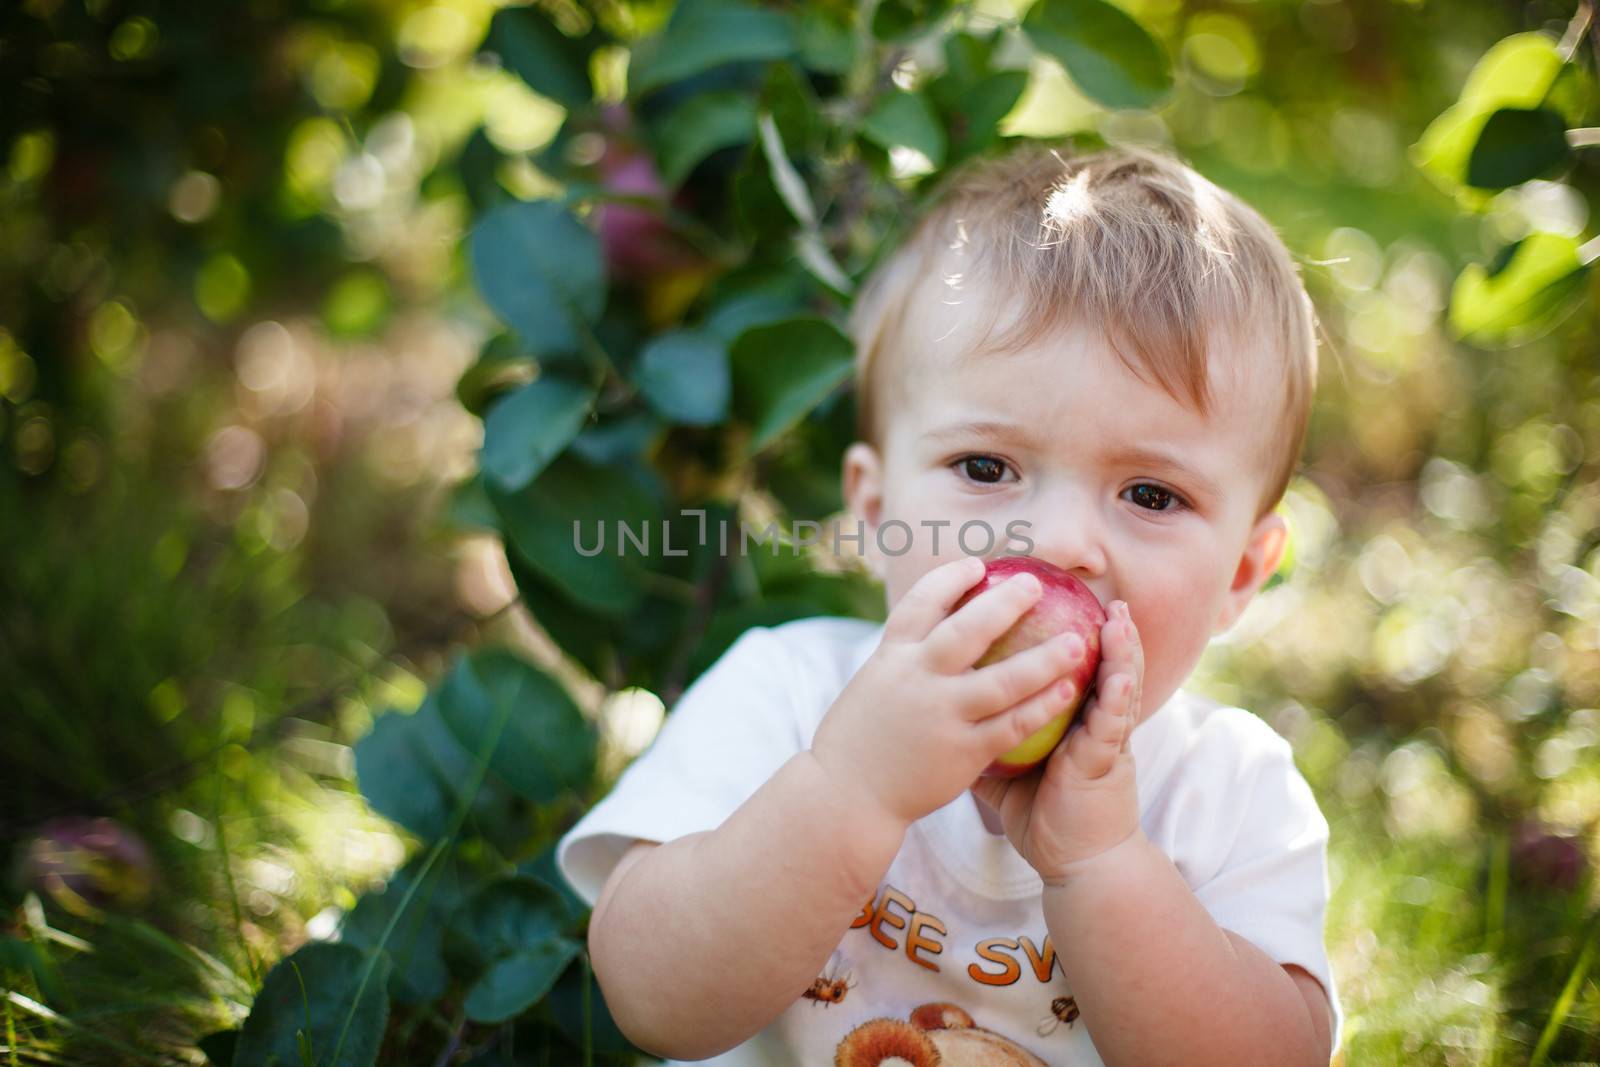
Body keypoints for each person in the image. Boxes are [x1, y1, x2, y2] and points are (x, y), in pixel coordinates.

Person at [556, 142, 1342, 1065]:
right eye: (985, 468)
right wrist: (851, 787)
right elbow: (651, 997)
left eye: (1152, 495)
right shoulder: (788, 694)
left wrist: (1101, 860)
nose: (1054, 542)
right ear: (876, 508)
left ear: (1242, 576)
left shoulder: (1229, 793)